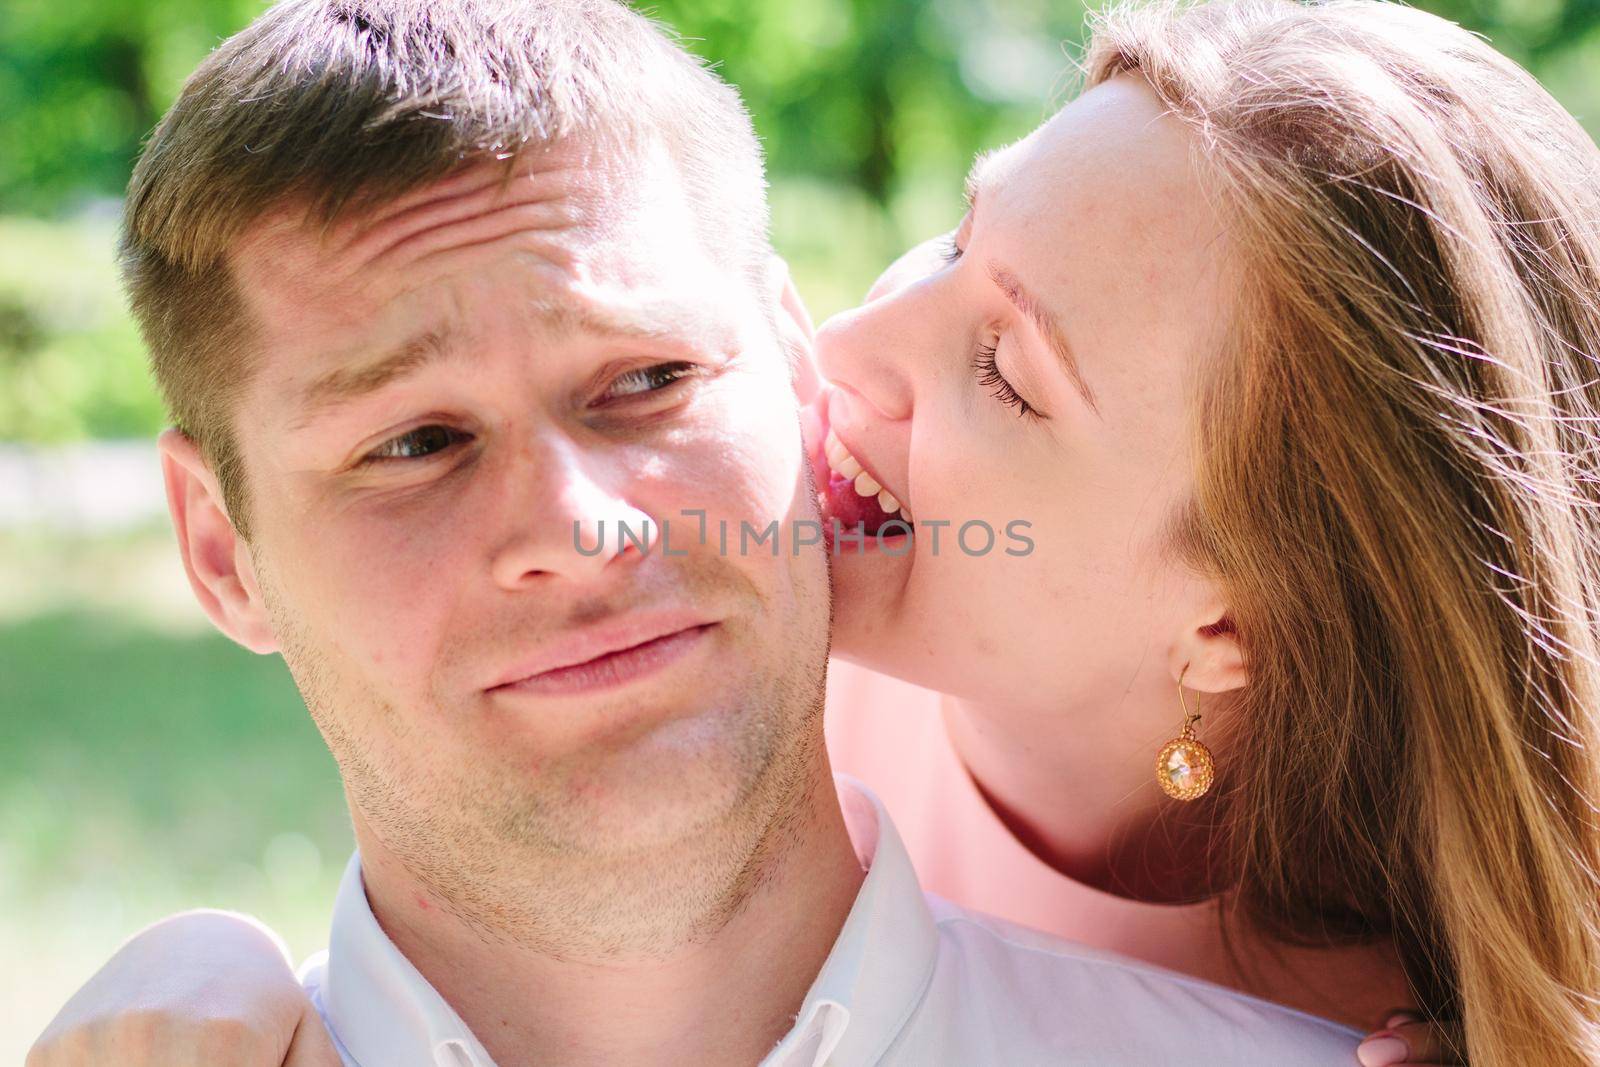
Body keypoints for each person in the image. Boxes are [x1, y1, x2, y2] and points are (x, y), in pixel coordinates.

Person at [29, 0, 1600, 1064]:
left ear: (1231, 623)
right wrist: (209, 965)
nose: (841, 361)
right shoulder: (743, 652)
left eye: (1008, 370)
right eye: (955, 241)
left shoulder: (1398, 996)